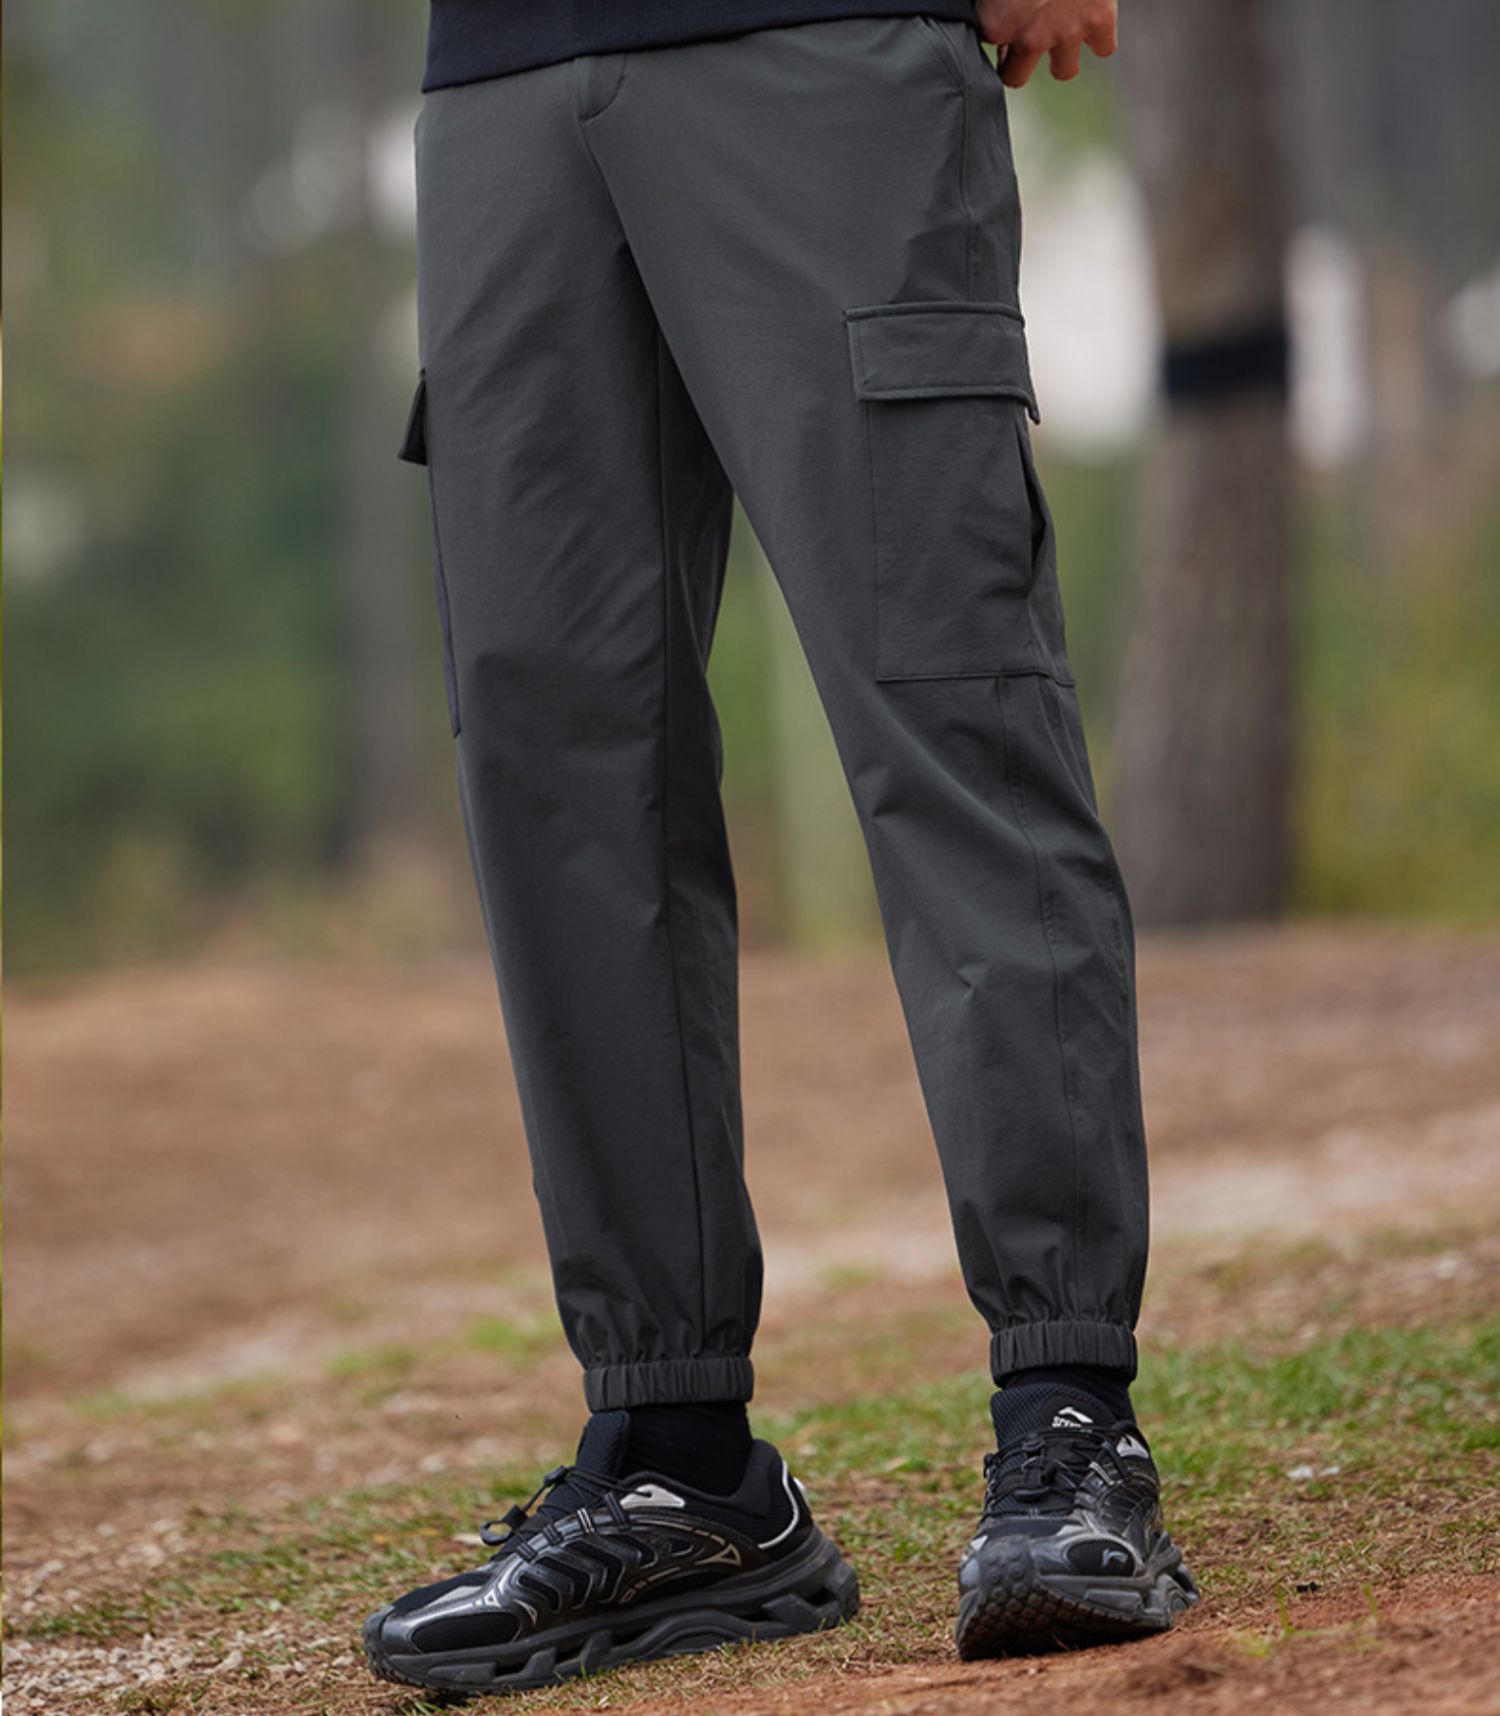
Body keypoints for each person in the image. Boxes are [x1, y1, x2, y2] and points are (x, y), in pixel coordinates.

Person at [364, 0, 1198, 1694]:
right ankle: (675, 1456)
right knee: (556, 769)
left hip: (821, 41)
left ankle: (1069, 1415)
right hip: (502, 76)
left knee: (948, 707)